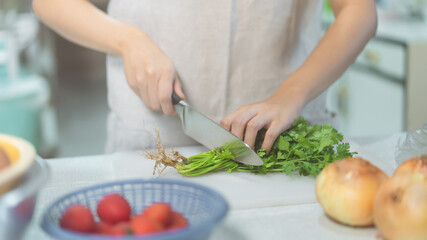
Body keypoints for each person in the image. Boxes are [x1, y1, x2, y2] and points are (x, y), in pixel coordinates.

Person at [33, 0, 377, 153]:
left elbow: (359, 10)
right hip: (155, 136)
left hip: (281, 136)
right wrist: (128, 40)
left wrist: (292, 92)